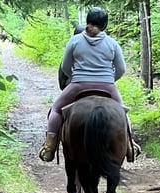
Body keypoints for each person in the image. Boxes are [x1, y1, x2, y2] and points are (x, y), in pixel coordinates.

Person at [39, 7, 126, 162]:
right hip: (107, 86)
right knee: (123, 113)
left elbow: (65, 66)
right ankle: (130, 145)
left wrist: (77, 78)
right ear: (104, 24)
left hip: (79, 84)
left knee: (56, 109)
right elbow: (121, 69)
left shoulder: (75, 40)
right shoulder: (112, 43)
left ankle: (50, 146)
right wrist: (109, 79)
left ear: (88, 21)